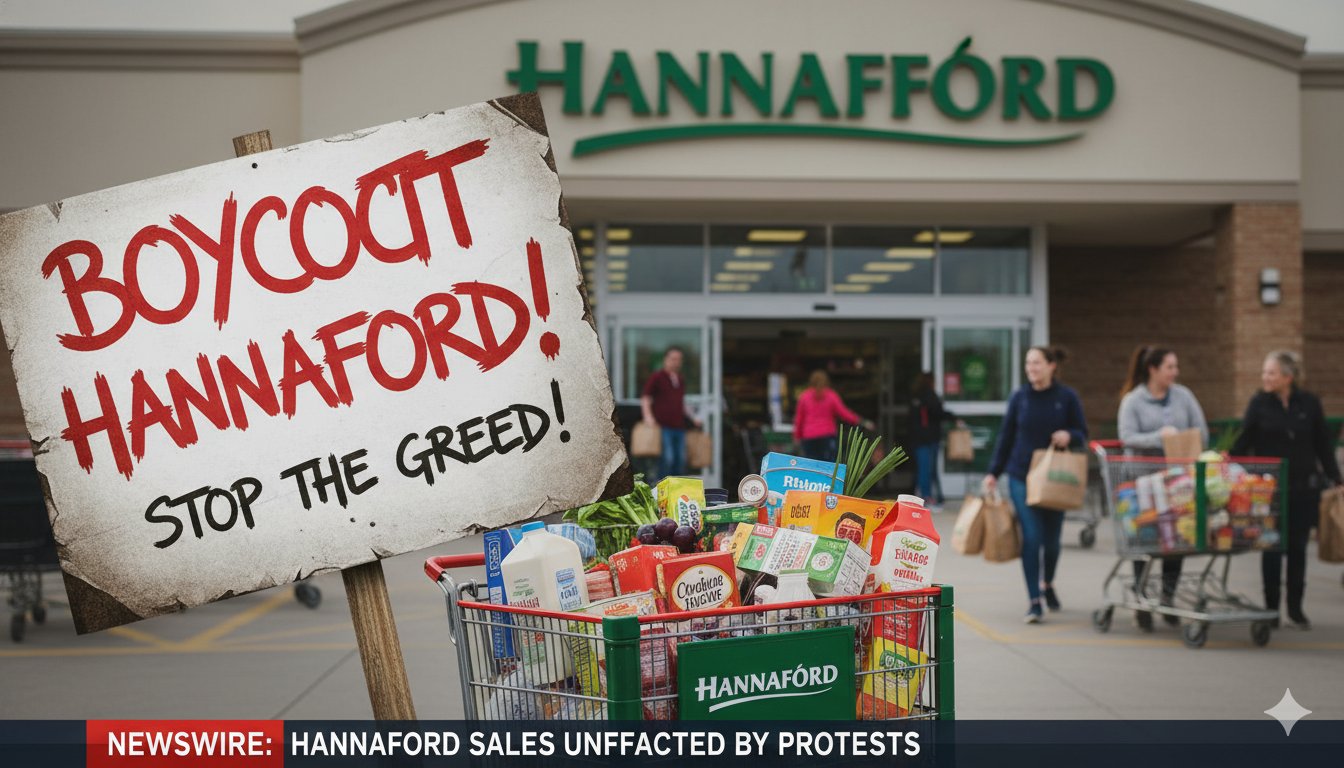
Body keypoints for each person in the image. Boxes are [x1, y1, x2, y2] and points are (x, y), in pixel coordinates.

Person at [1230, 350, 1341, 630]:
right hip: (1269, 492)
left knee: (1297, 548)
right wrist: (1228, 465)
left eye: (1271, 373)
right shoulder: (1259, 404)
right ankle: (1271, 609)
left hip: (1304, 489)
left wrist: (1336, 478)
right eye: (1264, 372)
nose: (1265, 378)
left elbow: (1322, 445)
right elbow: (1245, 441)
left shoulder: (1309, 404)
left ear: (1288, 377)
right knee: (1271, 548)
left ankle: (1295, 607)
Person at [984, 346, 1088, 624]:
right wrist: (994, 472)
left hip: (1055, 478)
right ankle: (1034, 600)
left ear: (1052, 365)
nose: (1032, 368)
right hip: (1021, 476)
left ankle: (1048, 583)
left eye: (1037, 363)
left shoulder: (1066, 397)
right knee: (1031, 538)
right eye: (1029, 363)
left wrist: (1069, 434)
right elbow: (1006, 436)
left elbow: (1082, 433)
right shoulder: (1020, 397)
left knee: (1052, 543)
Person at [1117, 346, 1209, 630]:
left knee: (1176, 541)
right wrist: (1160, 437)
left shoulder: (1184, 396)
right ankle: (1142, 599)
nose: (1175, 372)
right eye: (1169, 367)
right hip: (1143, 484)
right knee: (1145, 541)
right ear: (1152, 369)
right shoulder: (1134, 401)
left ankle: (1168, 598)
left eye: (1176, 367)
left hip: (1177, 482)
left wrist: (1183, 439)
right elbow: (1127, 436)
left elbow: (1201, 432)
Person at [640, 347, 701, 481]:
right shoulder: (657, 377)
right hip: (663, 427)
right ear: (665, 360)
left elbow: (682, 402)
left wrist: (693, 418)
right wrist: (648, 417)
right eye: (673, 359)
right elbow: (646, 398)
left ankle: (676, 492)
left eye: (679, 359)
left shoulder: (680, 379)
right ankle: (660, 489)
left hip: (679, 427)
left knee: (680, 460)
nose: (676, 362)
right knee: (667, 459)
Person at [909, 372, 962, 511]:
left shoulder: (915, 396)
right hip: (928, 439)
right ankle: (926, 499)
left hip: (918, 438)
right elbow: (938, 413)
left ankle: (929, 497)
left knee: (923, 469)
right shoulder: (929, 396)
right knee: (927, 470)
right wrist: (953, 417)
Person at [792, 370, 873, 462]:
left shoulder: (804, 397)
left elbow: (799, 419)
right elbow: (844, 413)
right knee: (829, 467)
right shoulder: (831, 396)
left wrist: (797, 436)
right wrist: (860, 421)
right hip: (827, 436)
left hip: (809, 437)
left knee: (811, 467)